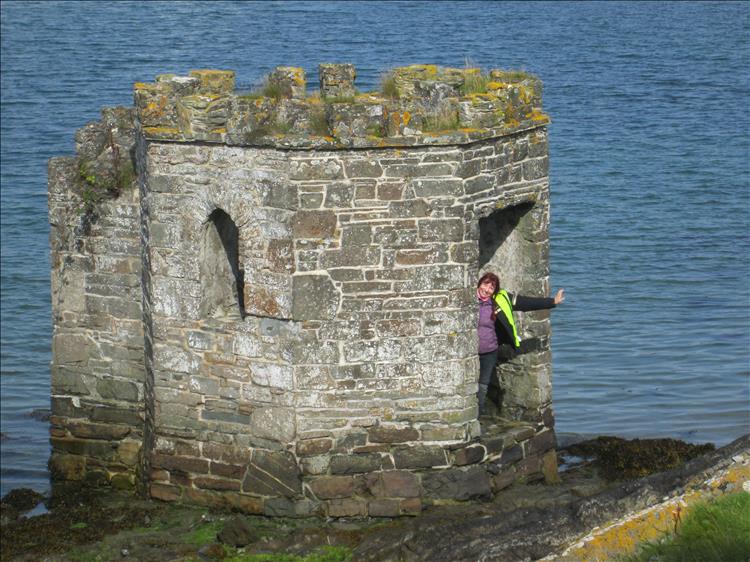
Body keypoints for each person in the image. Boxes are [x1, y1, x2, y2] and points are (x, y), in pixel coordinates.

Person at [476, 272, 565, 417]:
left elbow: (525, 303)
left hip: (489, 351)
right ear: (479, 283)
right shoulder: (467, 299)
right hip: (469, 352)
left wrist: (552, 301)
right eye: (485, 284)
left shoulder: (501, 299)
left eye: (491, 288)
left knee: (482, 387)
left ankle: (476, 420)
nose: (487, 290)